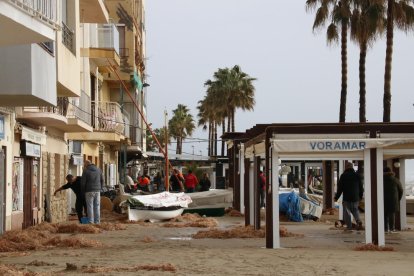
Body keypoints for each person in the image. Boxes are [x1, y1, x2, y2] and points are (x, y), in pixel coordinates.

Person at [334, 162, 364, 231]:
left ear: (346, 167)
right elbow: (361, 187)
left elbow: (340, 188)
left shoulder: (343, 176)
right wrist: (360, 196)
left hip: (346, 198)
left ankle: (349, 227)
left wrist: (336, 197)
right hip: (355, 197)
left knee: (347, 212)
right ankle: (358, 221)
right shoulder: (357, 175)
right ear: (352, 167)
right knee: (355, 210)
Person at [81, 160, 104, 224]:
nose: (84, 166)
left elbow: (83, 183)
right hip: (97, 190)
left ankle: (91, 221)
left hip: (89, 191)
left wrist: (83, 191)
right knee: (97, 206)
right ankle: (97, 221)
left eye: (84, 164)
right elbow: (102, 180)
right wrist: (101, 188)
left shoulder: (85, 171)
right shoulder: (99, 170)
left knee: (90, 206)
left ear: (86, 164)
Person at [383, 166, 403, 233]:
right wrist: (397, 199)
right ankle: (392, 229)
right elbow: (401, 190)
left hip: (383, 200)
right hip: (393, 200)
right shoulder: (395, 180)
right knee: (392, 215)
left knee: (384, 215)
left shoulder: (380, 179)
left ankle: (385, 229)